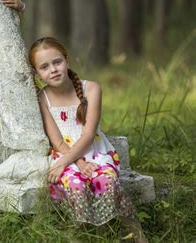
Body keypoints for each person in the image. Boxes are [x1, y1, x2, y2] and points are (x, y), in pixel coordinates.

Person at [28, 37, 147, 241]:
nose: (53, 70)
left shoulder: (91, 89)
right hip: (64, 154)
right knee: (75, 185)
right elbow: (57, 141)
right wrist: (78, 163)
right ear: (37, 73)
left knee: (106, 181)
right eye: (44, 67)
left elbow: (89, 134)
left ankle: (135, 232)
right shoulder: (42, 98)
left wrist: (79, 162)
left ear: (67, 60)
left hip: (96, 152)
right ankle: (81, 233)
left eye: (57, 62)